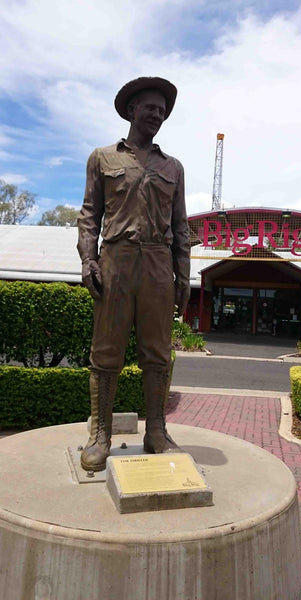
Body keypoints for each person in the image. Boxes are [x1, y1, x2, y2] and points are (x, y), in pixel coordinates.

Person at [77, 76, 190, 471]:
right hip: (116, 262)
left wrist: (184, 276)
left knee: (157, 354)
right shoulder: (103, 158)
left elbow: (181, 227)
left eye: (162, 110)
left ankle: (156, 431)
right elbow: (90, 215)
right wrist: (88, 259)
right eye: (151, 108)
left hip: (159, 266)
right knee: (106, 353)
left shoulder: (172, 167)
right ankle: (100, 434)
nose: (157, 115)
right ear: (131, 111)